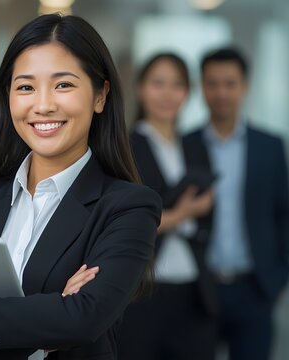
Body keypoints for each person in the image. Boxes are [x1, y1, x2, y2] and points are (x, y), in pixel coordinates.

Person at [0, 14, 161, 360]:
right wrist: (49, 323)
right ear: (8, 97)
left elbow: (83, 320)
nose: (43, 104)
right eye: (25, 87)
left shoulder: (127, 208)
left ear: (100, 96)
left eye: (63, 85)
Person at [185, 47, 289, 360]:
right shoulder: (186, 144)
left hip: (254, 287)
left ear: (244, 87)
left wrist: (280, 275)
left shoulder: (271, 147)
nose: (221, 92)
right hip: (199, 289)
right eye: (213, 83)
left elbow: (284, 214)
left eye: (230, 83)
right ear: (202, 87)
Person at [116, 53, 217, 359]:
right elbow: (123, 222)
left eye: (177, 85)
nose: (167, 94)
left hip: (192, 289)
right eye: (158, 83)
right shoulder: (126, 147)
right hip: (142, 292)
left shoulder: (196, 145)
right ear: (140, 89)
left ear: (187, 92)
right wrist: (182, 214)